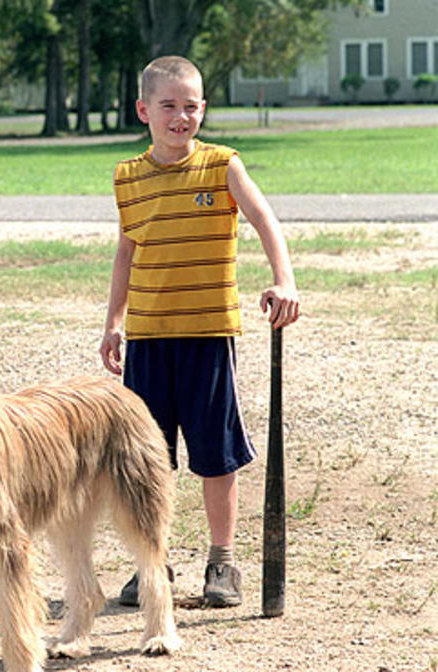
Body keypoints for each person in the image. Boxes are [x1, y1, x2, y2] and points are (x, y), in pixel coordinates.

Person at [98, 55, 300, 609]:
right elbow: (126, 251)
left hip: (208, 336)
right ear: (144, 110)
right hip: (147, 338)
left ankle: (222, 562)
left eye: (191, 107)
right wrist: (113, 323)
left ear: (203, 109)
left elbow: (264, 219)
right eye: (169, 107)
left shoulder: (222, 164)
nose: (181, 117)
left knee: (216, 452)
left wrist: (284, 280)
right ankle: (152, 561)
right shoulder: (129, 177)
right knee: (147, 460)